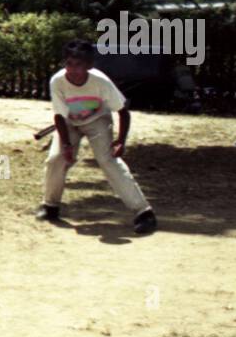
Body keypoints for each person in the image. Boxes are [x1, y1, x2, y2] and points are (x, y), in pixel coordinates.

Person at [36, 39, 158, 234]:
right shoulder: (57, 81)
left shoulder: (100, 81)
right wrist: (66, 145)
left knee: (108, 160)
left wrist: (120, 141)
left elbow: (122, 111)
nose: (73, 70)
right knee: (55, 159)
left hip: (97, 120)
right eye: (69, 64)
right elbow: (59, 115)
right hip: (69, 122)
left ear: (89, 66)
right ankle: (50, 206)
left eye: (79, 65)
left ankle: (143, 212)